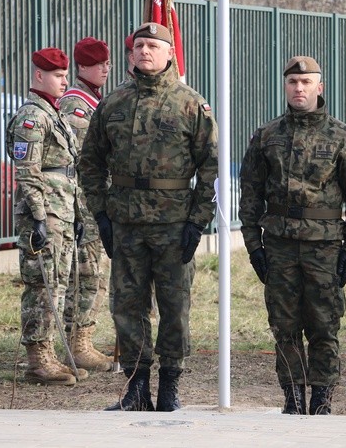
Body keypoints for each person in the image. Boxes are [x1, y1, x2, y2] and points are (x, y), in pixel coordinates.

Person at [79, 22, 218, 412]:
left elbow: (211, 166)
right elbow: (90, 161)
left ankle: (170, 386)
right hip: (125, 223)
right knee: (127, 305)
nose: (145, 52)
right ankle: (137, 387)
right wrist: (101, 212)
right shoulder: (114, 103)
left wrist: (198, 220)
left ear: (170, 53)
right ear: (130, 54)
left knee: (174, 306)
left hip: (174, 224)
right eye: (138, 46)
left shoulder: (192, 104)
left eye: (154, 46)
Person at [238, 56, 346, 415]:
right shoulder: (267, 136)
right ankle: (293, 398)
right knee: (284, 325)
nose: (299, 88)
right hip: (279, 246)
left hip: (325, 247)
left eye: (306, 82)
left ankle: (321, 400)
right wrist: (253, 246)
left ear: (320, 87)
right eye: (293, 82)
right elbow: (250, 194)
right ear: (285, 86)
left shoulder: (344, 137)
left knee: (324, 325)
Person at [7, 47, 88, 386]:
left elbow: (70, 169)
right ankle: (37, 358)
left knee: (58, 283)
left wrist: (78, 213)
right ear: (39, 75)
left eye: (66, 75)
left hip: (63, 209)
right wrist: (39, 217)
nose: (64, 81)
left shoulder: (54, 114)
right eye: (58, 76)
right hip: (45, 214)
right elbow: (28, 170)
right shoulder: (32, 116)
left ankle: (50, 354)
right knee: (42, 284)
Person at [58, 37, 114, 372]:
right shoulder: (76, 104)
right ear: (82, 67)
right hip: (84, 203)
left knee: (97, 274)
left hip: (97, 203)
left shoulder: (95, 100)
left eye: (107, 64)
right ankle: (76, 343)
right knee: (87, 275)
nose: (105, 69)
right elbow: (82, 161)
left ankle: (85, 338)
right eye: (98, 64)